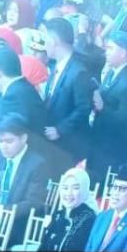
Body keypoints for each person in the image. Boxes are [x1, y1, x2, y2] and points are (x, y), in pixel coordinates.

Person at [0, 114, 55, 248]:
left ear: (24, 138)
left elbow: (32, 203)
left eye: (9, 141)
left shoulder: (38, 165)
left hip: (16, 226)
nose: (3, 146)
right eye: (0, 141)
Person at [40, 17, 94, 163]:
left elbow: (84, 108)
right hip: (51, 142)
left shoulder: (78, 72)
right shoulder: (55, 66)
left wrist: (60, 129)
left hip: (68, 146)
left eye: (46, 40)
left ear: (54, 41)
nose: (44, 45)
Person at [87, 29, 127, 178]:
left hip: (112, 149)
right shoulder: (112, 72)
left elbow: (124, 119)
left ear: (123, 52)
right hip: (99, 141)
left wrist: (102, 107)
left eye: (111, 48)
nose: (106, 52)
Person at [84, 165, 127, 252]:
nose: (115, 193)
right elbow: (89, 247)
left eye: (122, 189)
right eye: (114, 187)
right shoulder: (102, 216)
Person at [39, 167, 98, 252]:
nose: (69, 193)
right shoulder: (58, 215)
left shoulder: (89, 219)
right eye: (65, 188)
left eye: (75, 188)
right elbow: (43, 246)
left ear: (84, 190)